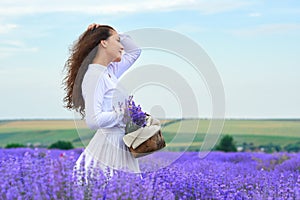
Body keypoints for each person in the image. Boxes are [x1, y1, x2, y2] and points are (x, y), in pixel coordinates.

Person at [62, 23, 141, 182]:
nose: (122, 47)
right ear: (103, 43)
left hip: (120, 143)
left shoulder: (109, 71)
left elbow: (135, 51)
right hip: (109, 146)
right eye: (117, 41)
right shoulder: (94, 76)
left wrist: (113, 33)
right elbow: (93, 120)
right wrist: (123, 115)